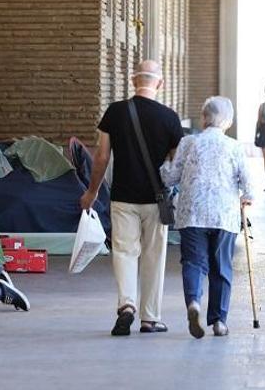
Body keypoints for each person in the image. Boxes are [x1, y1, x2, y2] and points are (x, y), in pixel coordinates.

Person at [80, 60, 184, 336]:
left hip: (122, 197)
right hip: (156, 199)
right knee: (154, 256)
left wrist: (91, 191)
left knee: (124, 253)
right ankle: (150, 318)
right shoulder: (170, 118)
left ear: (132, 81)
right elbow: (176, 165)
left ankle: (126, 306)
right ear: (159, 84)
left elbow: (101, 156)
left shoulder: (115, 112)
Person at [160, 97, 253, 339]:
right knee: (222, 267)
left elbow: (169, 178)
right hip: (224, 215)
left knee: (193, 262)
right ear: (228, 122)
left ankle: (194, 303)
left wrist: (165, 163)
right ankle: (220, 322)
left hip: (192, 213)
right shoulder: (234, 147)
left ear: (203, 119)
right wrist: (247, 197)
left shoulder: (189, 142)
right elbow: (248, 183)